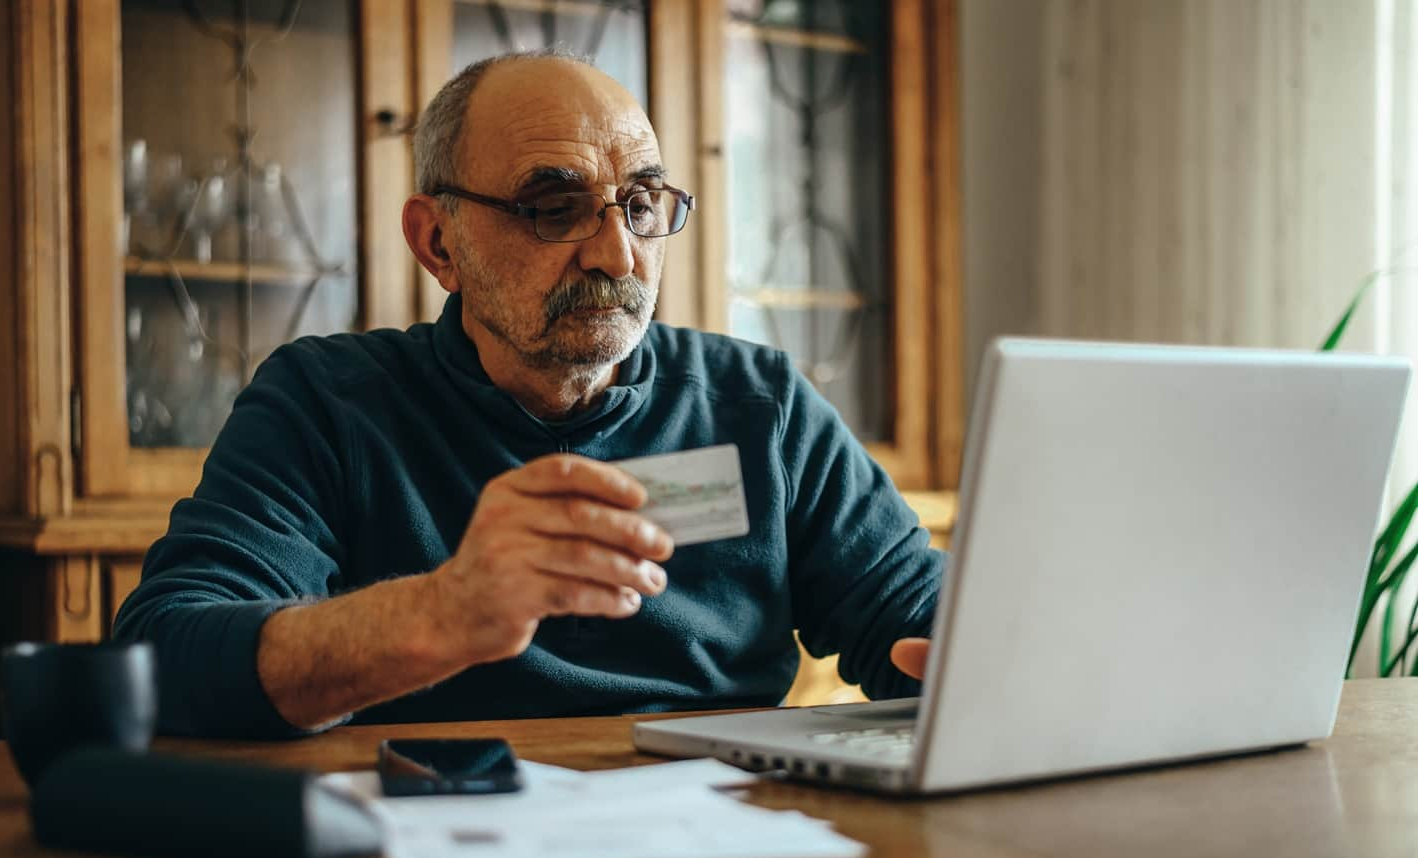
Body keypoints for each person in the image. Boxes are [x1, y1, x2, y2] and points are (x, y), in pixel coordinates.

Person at [114, 51, 944, 738]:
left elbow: (909, 613)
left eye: (643, 205)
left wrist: (978, 651)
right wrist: (442, 613)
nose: (618, 257)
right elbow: (166, 657)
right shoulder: (329, 404)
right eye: (555, 208)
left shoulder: (760, 406)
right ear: (438, 241)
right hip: (438, 848)